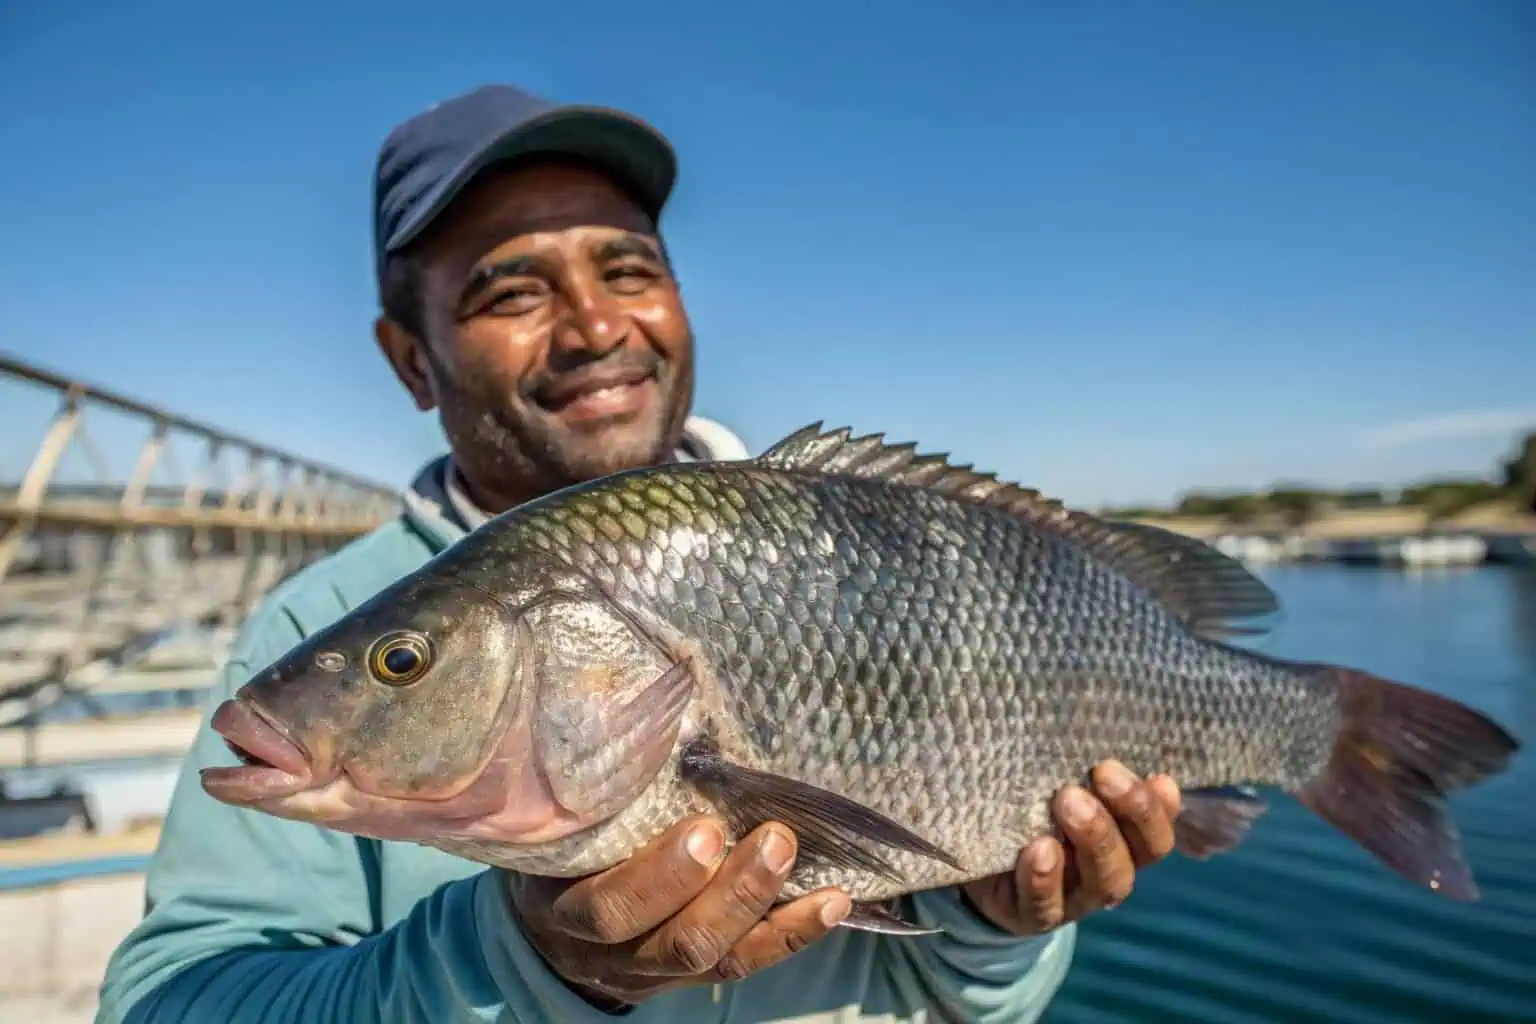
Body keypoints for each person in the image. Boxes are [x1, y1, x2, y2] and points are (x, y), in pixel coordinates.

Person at [95, 84, 1183, 1024]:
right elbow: (177, 999)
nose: (594, 325)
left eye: (629, 269)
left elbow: (963, 1000)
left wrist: (996, 924)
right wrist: (517, 965)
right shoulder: (313, 623)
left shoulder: (831, 531)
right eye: (511, 289)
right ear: (410, 361)